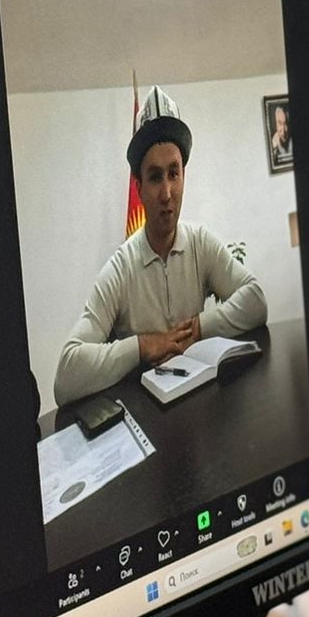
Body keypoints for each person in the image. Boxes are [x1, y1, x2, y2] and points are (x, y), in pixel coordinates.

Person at [53, 94, 266, 405]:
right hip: (146, 419)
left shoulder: (201, 243)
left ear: (183, 176)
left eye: (173, 174)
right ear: (139, 187)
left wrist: (200, 329)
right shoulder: (121, 268)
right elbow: (66, 377)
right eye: (154, 177)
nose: (167, 193)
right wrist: (142, 346)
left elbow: (256, 300)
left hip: (200, 410)